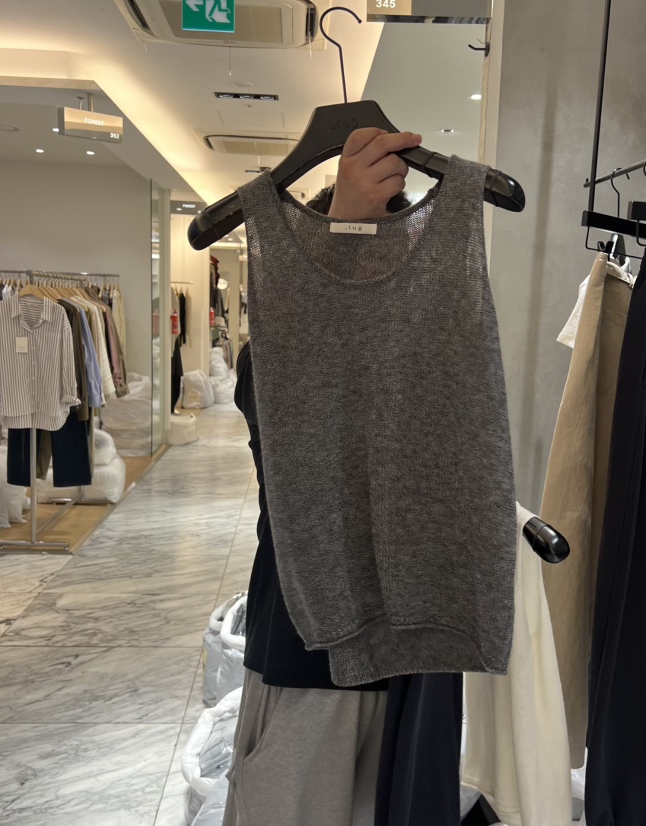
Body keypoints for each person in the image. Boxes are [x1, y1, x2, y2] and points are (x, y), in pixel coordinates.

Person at [223, 128, 423, 826]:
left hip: (416, 659)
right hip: (315, 653)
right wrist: (342, 236)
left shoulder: (423, 352)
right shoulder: (280, 351)